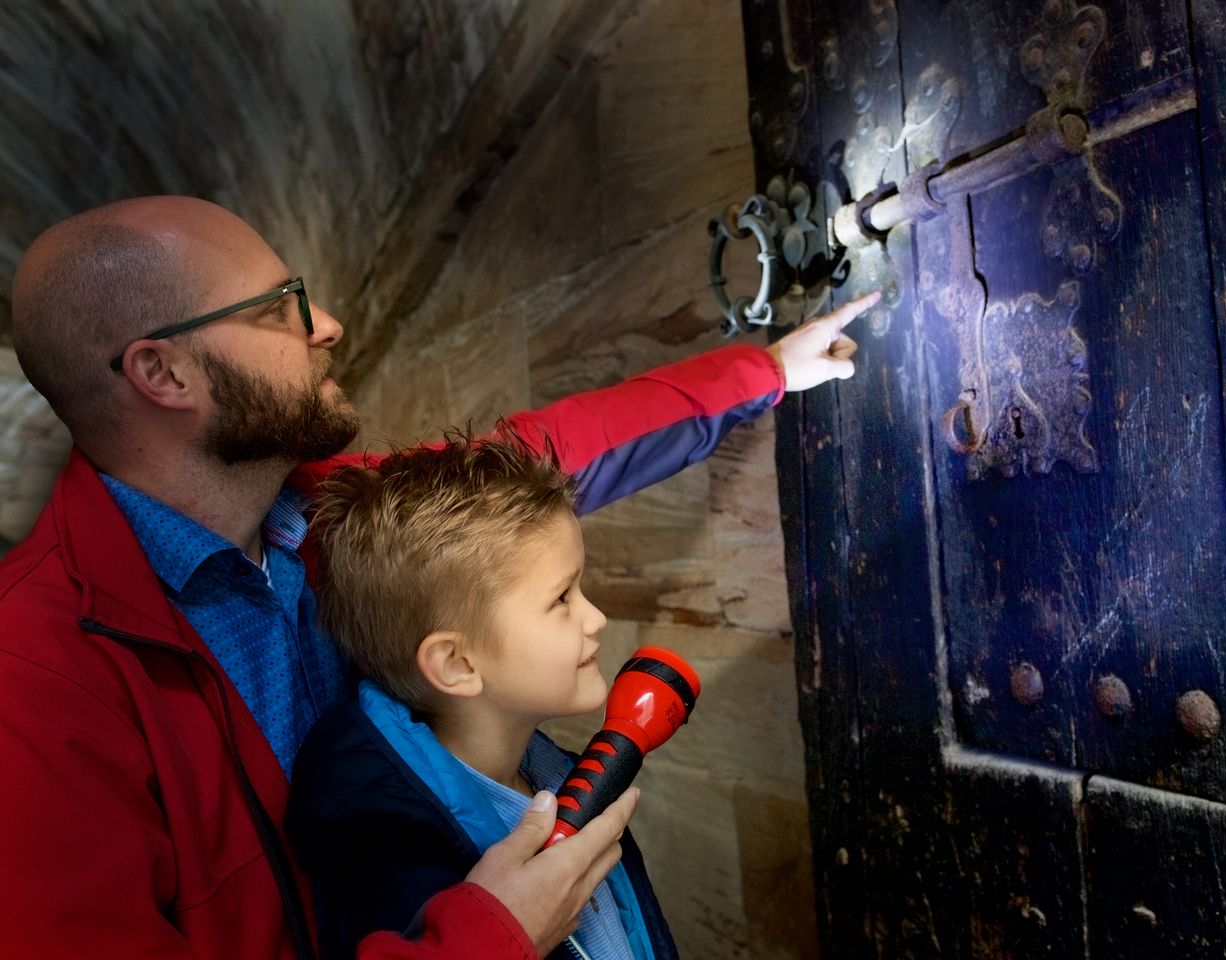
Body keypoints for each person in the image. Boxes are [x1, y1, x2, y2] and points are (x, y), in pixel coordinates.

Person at [0, 194, 880, 959]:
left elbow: (545, 452)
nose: (326, 324)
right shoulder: (33, 679)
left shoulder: (319, 514)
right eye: (279, 309)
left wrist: (761, 372)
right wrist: (493, 937)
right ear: (163, 371)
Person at [287, 428, 676, 960]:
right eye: (562, 598)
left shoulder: (555, 772)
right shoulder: (394, 855)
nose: (597, 618)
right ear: (457, 664)